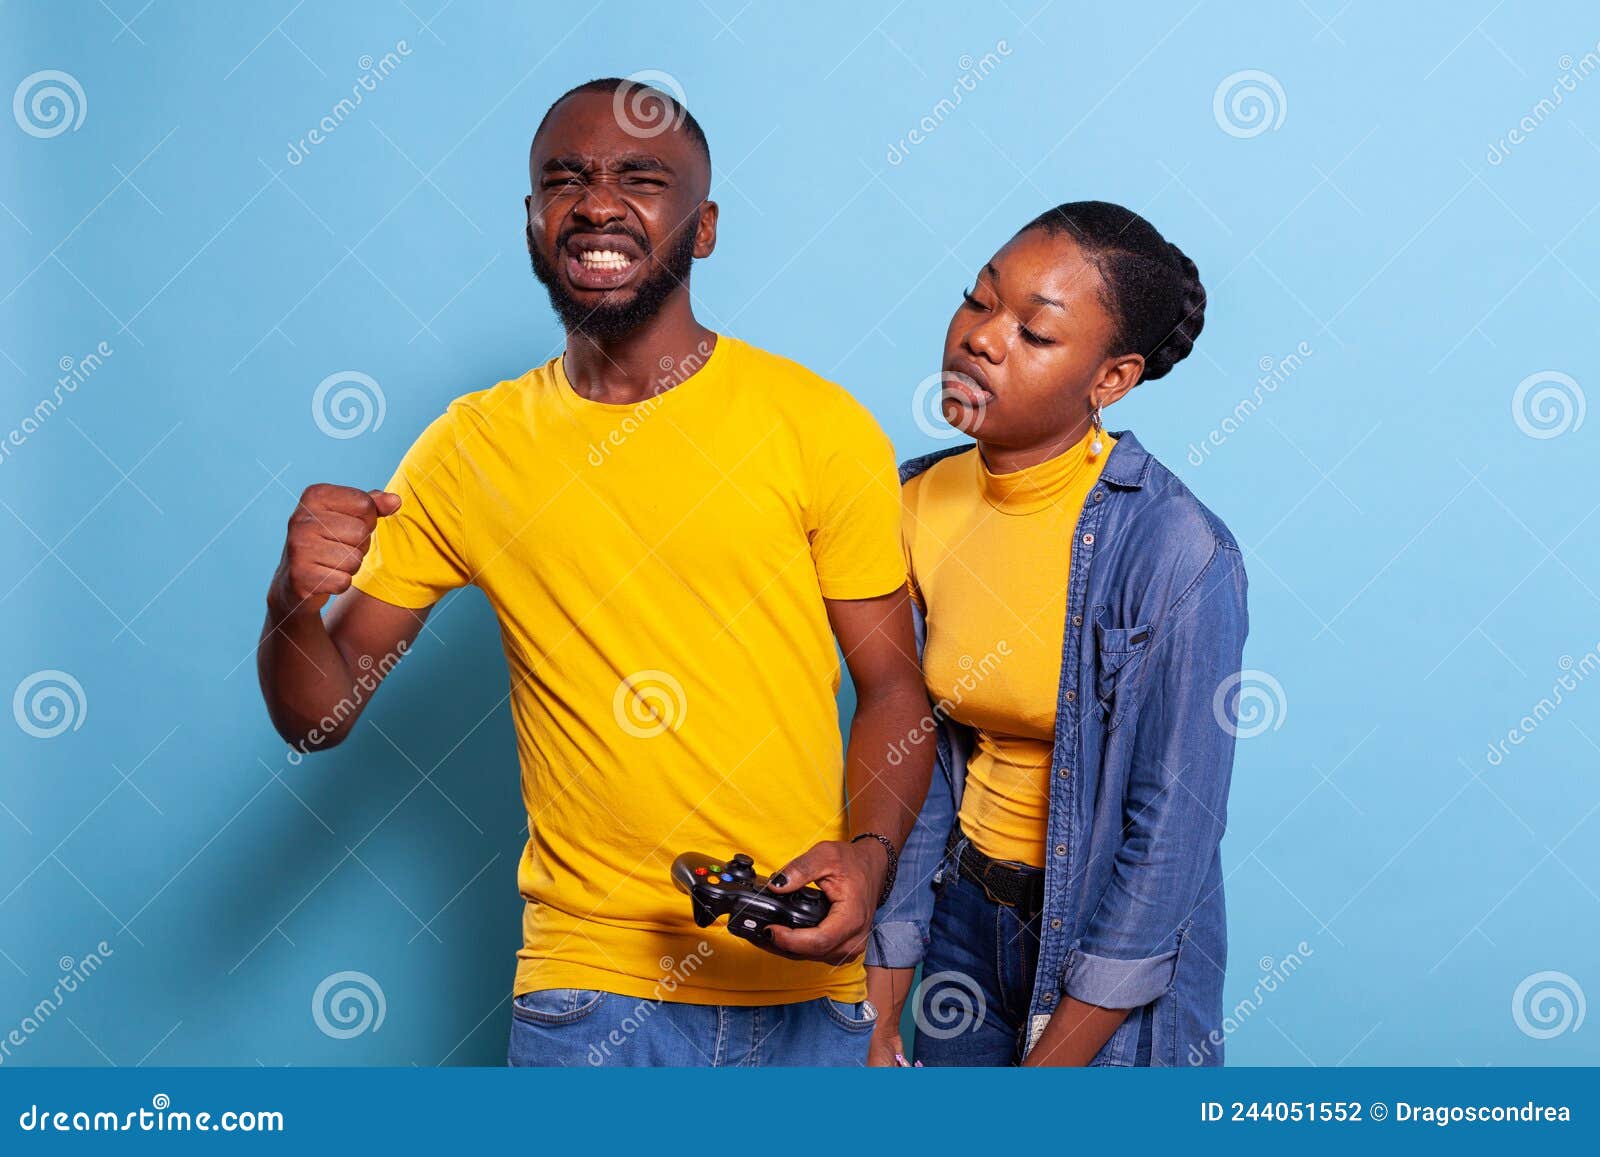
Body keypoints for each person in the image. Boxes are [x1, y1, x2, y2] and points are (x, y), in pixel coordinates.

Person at [257, 78, 933, 1067]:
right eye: (563, 179)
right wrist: (288, 600)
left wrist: (868, 862)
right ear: (535, 224)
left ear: (702, 229)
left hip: (803, 979)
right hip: (589, 991)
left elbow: (892, 689)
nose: (597, 201)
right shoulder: (468, 449)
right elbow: (316, 718)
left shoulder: (817, 426)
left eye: (641, 179)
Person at [863, 201, 1248, 1066]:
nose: (982, 339)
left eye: (1035, 334)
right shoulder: (913, 503)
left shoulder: (1176, 549)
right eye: (977, 299)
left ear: (1111, 380)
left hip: (1103, 950)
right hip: (960, 914)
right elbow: (913, 758)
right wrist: (881, 1014)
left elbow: (1172, 836)